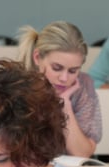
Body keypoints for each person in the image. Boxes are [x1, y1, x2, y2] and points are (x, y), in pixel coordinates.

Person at [17, 21, 102, 158]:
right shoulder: (17, 85)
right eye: (57, 68)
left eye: (73, 71)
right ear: (37, 57)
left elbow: (82, 153)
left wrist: (64, 104)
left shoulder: (83, 85)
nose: (64, 78)